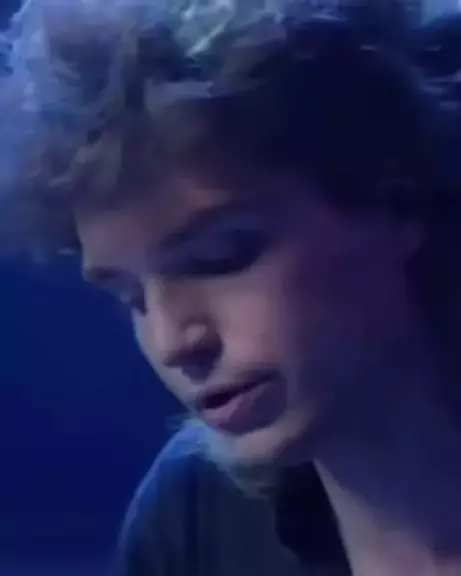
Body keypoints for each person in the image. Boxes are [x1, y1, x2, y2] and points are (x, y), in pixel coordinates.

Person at [2, 0, 461, 574]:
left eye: (221, 257)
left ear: (394, 197)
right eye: (131, 298)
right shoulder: (191, 518)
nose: (173, 342)